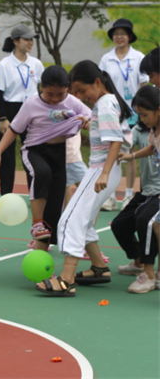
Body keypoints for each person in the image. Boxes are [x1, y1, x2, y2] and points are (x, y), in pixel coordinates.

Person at [36, 60, 132, 297]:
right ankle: (99, 267)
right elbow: (107, 134)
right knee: (85, 218)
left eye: (81, 90)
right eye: (75, 91)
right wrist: (87, 123)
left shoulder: (105, 103)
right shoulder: (105, 103)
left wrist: (106, 173)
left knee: (70, 218)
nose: (79, 96)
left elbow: (116, 141)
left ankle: (66, 280)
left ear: (98, 82)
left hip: (101, 170)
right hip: (102, 169)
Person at [0, 66, 91, 252]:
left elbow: (91, 118)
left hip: (59, 154)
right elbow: (14, 130)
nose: (54, 99)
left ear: (67, 88)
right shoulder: (31, 103)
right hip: (34, 151)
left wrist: (87, 122)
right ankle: (36, 223)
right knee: (41, 173)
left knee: (53, 211)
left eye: (60, 94)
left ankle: (41, 256)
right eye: (50, 94)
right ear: (41, 86)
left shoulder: (72, 102)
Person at [99, 18, 148, 211]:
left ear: (129, 36)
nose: (119, 37)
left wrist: (140, 109)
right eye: (116, 34)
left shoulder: (138, 58)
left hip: (133, 114)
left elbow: (143, 85)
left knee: (128, 153)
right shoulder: (106, 59)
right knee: (109, 152)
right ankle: (109, 197)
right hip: (112, 112)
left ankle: (128, 195)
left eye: (123, 33)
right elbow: (102, 86)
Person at [116, 86, 160, 293]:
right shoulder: (153, 130)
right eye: (139, 114)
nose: (141, 119)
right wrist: (131, 156)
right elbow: (153, 147)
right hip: (151, 191)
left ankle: (149, 275)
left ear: (158, 110)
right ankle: (146, 266)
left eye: (144, 114)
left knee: (147, 220)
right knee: (129, 221)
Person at [0, 24, 45, 196]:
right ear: (16, 41)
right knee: (7, 156)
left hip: (31, 110)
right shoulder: (4, 64)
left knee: (33, 154)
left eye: (32, 39)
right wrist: (3, 118)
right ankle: (5, 194)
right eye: (27, 39)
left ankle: (35, 193)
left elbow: (41, 89)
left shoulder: (36, 64)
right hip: (9, 111)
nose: (31, 42)